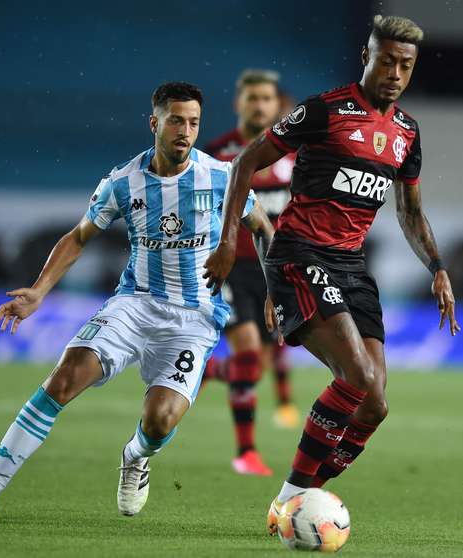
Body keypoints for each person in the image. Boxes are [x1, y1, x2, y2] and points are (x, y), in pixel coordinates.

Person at [0, 82, 275, 521]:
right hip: (133, 304)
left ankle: (136, 456)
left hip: (195, 318)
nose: (185, 131)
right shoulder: (123, 181)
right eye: (175, 120)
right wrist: (39, 291)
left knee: (159, 422)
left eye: (193, 122)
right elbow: (79, 237)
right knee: (63, 378)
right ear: (154, 123)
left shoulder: (221, 176)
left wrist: (276, 292)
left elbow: (264, 228)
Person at [203, 15, 459, 533]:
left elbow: (409, 212)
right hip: (300, 255)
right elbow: (246, 160)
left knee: (376, 404)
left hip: (352, 266)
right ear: (367, 57)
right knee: (357, 377)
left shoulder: (407, 132)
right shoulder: (325, 110)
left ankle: (305, 496)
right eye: (385, 60)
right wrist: (230, 239)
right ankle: (293, 498)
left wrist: (437, 267)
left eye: (405, 65)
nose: (394, 72)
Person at [203, 69, 298, 477]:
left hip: (271, 271)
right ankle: (246, 452)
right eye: (252, 98)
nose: (260, 105)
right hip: (230, 269)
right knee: (246, 354)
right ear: (239, 103)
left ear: (277, 105)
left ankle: (209, 371)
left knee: (254, 365)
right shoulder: (215, 152)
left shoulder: (294, 156)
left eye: (266, 98)